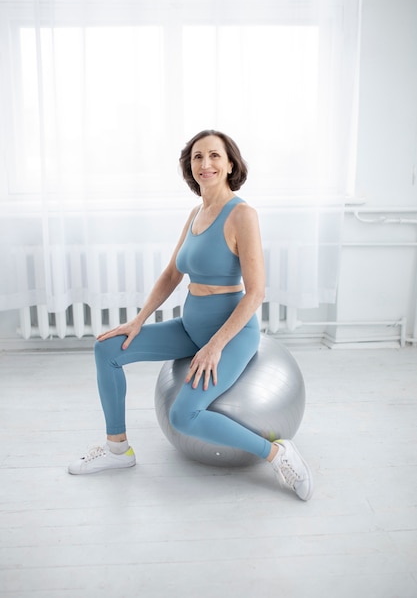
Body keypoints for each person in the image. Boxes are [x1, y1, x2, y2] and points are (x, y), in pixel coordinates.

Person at [68, 129, 313, 501]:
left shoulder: (243, 215)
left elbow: (257, 292)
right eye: (198, 157)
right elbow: (172, 274)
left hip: (231, 334)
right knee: (108, 349)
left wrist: (215, 346)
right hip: (191, 325)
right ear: (190, 167)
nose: (206, 164)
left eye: (215, 156)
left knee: (184, 415)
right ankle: (118, 449)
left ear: (231, 163)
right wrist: (138, 321)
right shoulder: (197, 212)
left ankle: (278, 453)